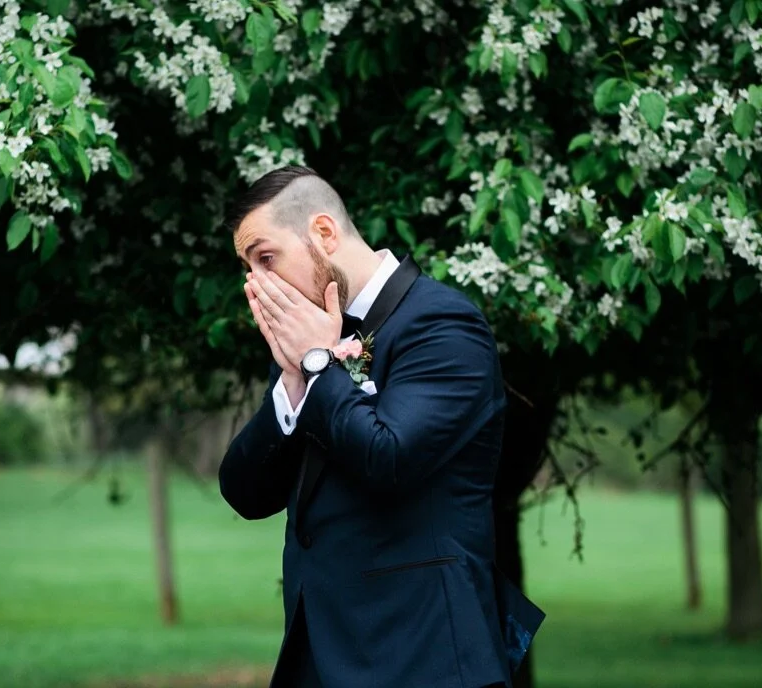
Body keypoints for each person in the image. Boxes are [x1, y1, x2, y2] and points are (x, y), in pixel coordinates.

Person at [218, 167, 544, 688]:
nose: (257, 283)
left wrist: (319, 366)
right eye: (248, 267)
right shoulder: (312, 342)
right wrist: (294, 383)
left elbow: (389, 457)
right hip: (321, 656)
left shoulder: (443, 324)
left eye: (266, 258)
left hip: (420, 654)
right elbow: (245, 492)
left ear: (324, 232)